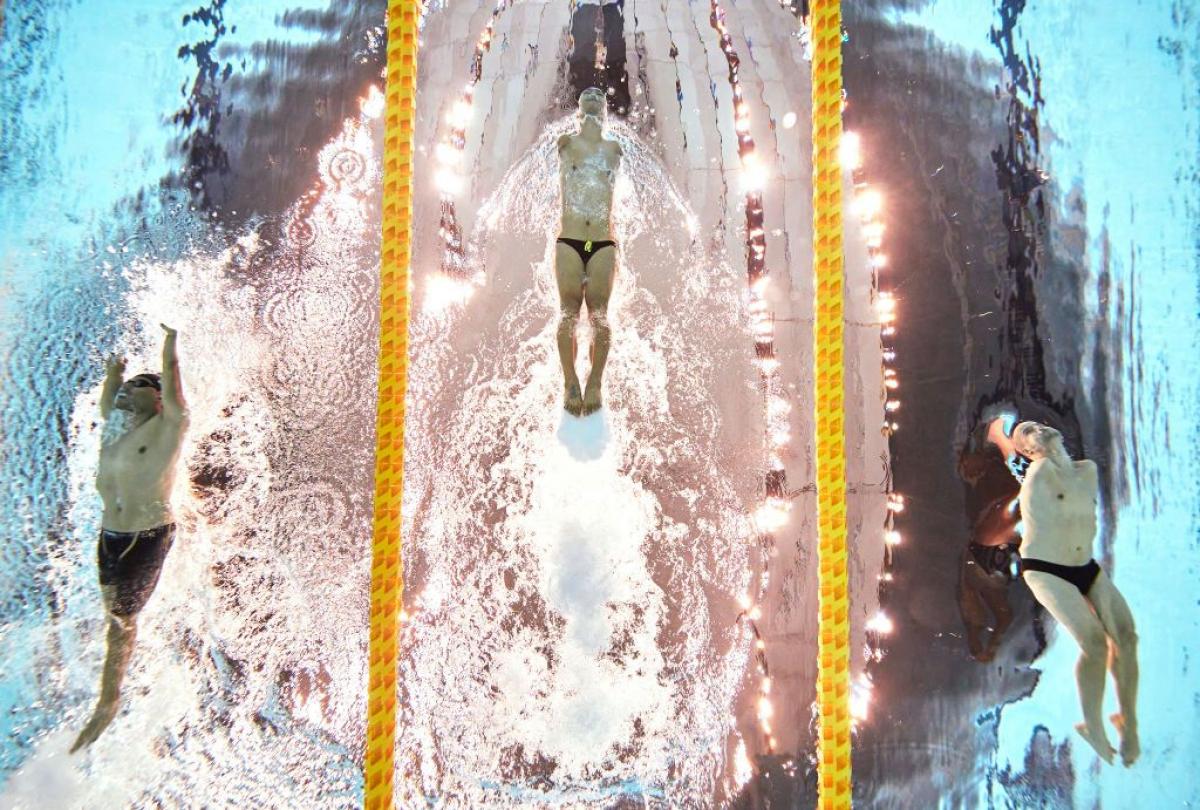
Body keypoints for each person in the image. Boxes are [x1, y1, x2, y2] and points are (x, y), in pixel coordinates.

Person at [72, 324, 189, 752]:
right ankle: (108, 694)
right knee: (114, 619)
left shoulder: (167, 428)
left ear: (157, 399)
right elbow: (110, 398)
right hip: (110, 536)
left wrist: (170, 344)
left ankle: (109, 699)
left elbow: (175, 390)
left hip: (145, 536)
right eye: (125, 390)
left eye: (138, 386)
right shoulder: (117, 426)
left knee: (122, 621)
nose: (124, 393)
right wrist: (114, 372)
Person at [1012, 420, 1139, 766]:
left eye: (1037, 425)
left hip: (1085, 566)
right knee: (1094, 643)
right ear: (1028, 451)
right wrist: (1030, 443)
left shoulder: (1087, 471)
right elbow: (1038, 456)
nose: (1037, 430)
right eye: (1028, 434)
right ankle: (1093, 725)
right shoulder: (1038, 475)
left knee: (1127, 636)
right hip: (1045, 568)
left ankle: (1129, 720)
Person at [555, 86, 622, 416]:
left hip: (602, 242)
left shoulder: (614, 149)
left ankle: (595, 382)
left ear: (604, 111)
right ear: (579, 110)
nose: (594, 93)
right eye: (588, 95)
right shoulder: (566, 144)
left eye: (600, 95)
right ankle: (570, 381)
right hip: (569, 240)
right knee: (568, 311)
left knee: (599, 315)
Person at [957, 428, 1022, 662]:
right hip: (986, 553)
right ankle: (984, 646)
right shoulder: (1000, 488)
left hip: (981, 556)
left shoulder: (986, 487)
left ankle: (984, 647)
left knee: (1001, 614)